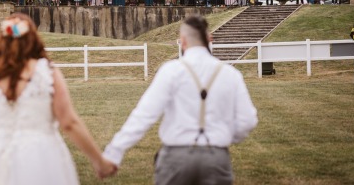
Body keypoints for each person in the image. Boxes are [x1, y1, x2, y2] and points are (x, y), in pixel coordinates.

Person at [0, 14, 116, 184]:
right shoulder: (47, 72)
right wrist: (100, 162)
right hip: (41, 156)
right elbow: (69, 123)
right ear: (33, 38)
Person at [103, 15, 258, 185]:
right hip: (216, 158)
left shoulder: (171, 71)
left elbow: (144, 115)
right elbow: (247, 120)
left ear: (182, 41)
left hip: (176, 158)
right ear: (210, 39)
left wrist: (114, 152)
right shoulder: (231, 74)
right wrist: (223, 137)